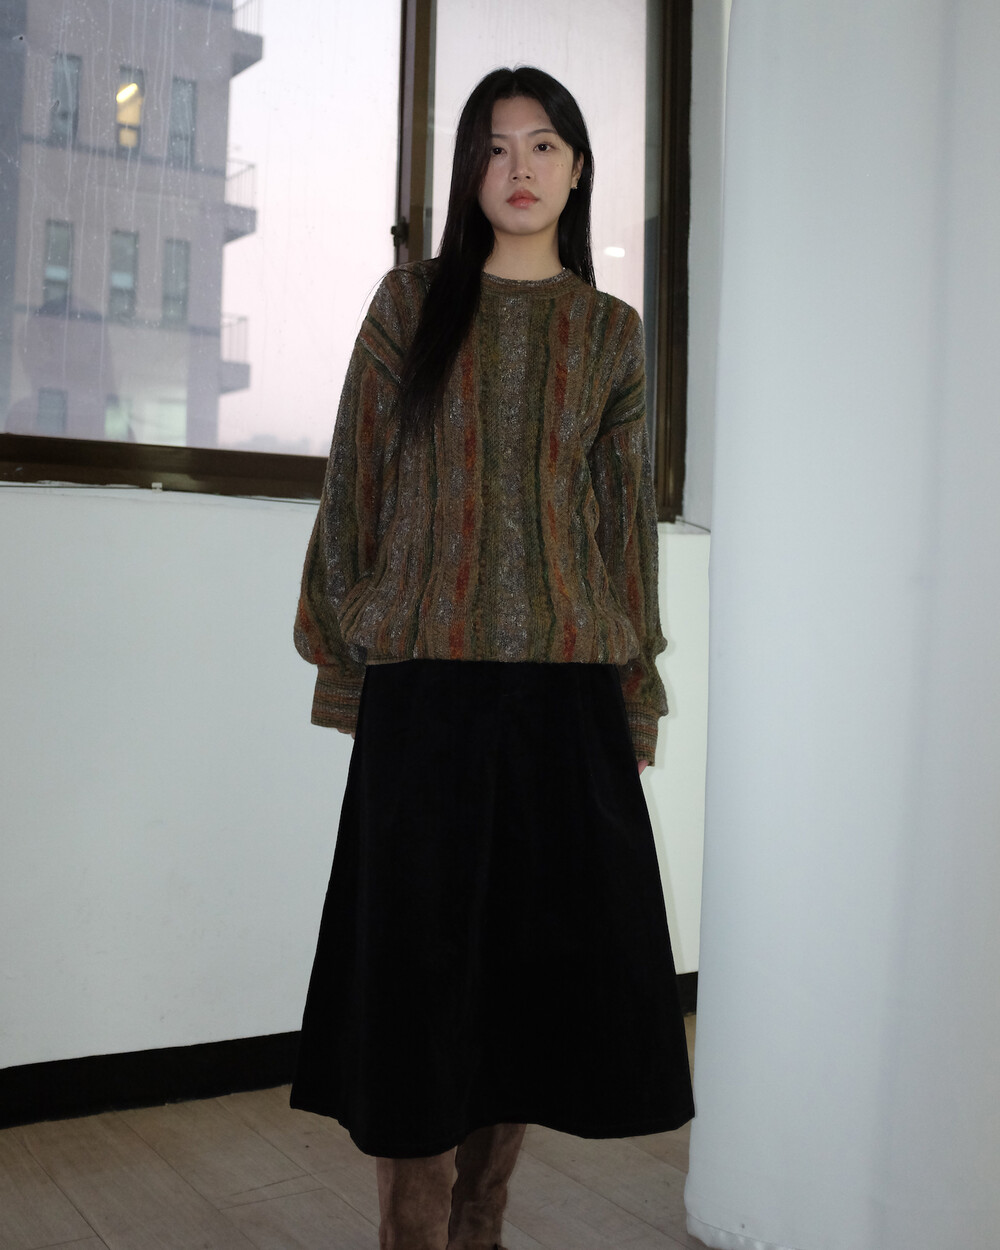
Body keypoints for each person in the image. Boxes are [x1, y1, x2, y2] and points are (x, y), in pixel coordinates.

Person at [289, 65, 695, 1250]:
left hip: (565, 696)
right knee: (416, 982)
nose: (519, 168)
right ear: (469, 169)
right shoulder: (410, 302)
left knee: (529, 980)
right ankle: (411, 1235)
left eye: (544, 144)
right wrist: (347, 657)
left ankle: (480, 1226)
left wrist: (633, 695)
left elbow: (621, 533)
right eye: (495, 146)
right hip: (428, 692)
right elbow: (354, 486)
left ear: (576, 169)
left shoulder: (610, 333)